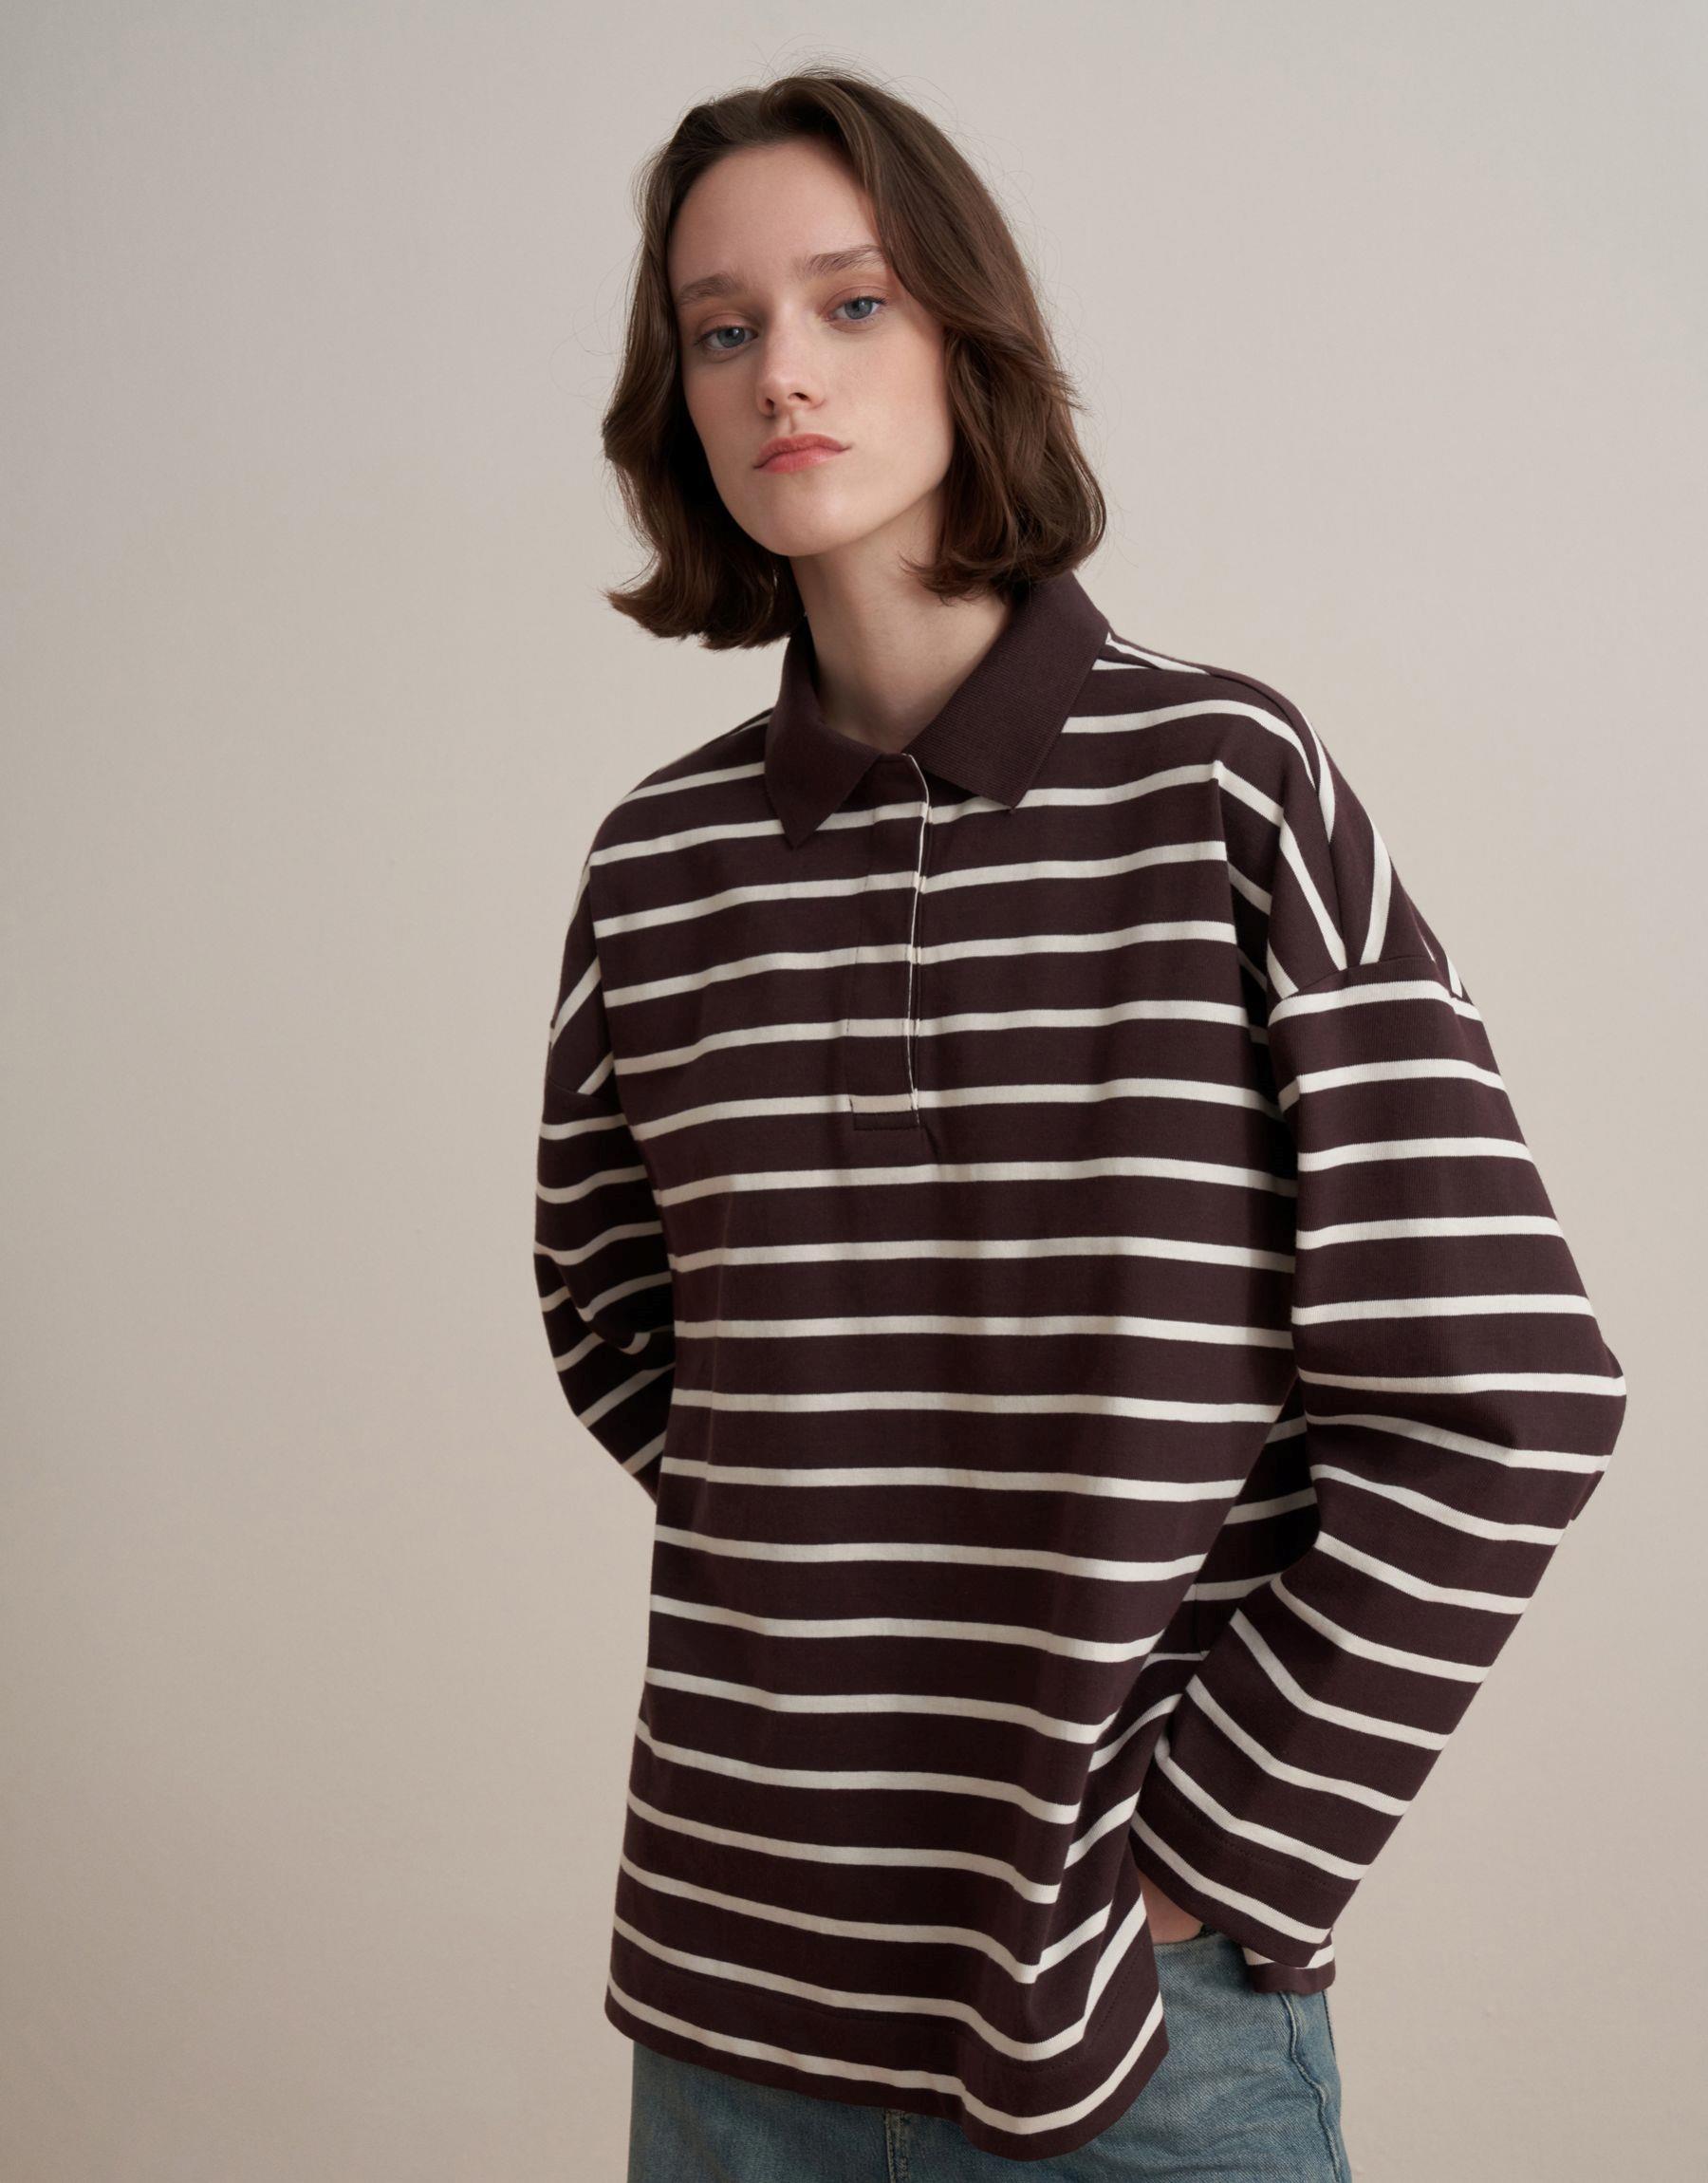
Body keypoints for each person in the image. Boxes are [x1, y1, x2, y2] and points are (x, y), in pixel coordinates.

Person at [533, 66, 1625, 2179]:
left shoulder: (1224, 784)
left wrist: (1202, 1855)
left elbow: (1508, 1396)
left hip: (1129, 2037)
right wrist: (873, 1538)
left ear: (970, 335)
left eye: (851, 303)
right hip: (729, 2016)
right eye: (722, 327)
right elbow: (624, 1329)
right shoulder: (657, 870)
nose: (783, 374)